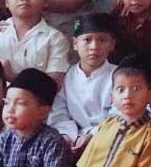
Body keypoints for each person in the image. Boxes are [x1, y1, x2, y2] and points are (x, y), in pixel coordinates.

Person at [50, 13, 119, 148]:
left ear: (112, 44)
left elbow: (119, 114)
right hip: (72, 139)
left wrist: (92, 135)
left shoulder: (120, 76)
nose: (94, 46)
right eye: (87, 40)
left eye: (102, 40)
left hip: (108, 138)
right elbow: (59, 112)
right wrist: (67, 136)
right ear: (75, 43)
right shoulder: (66, 76)